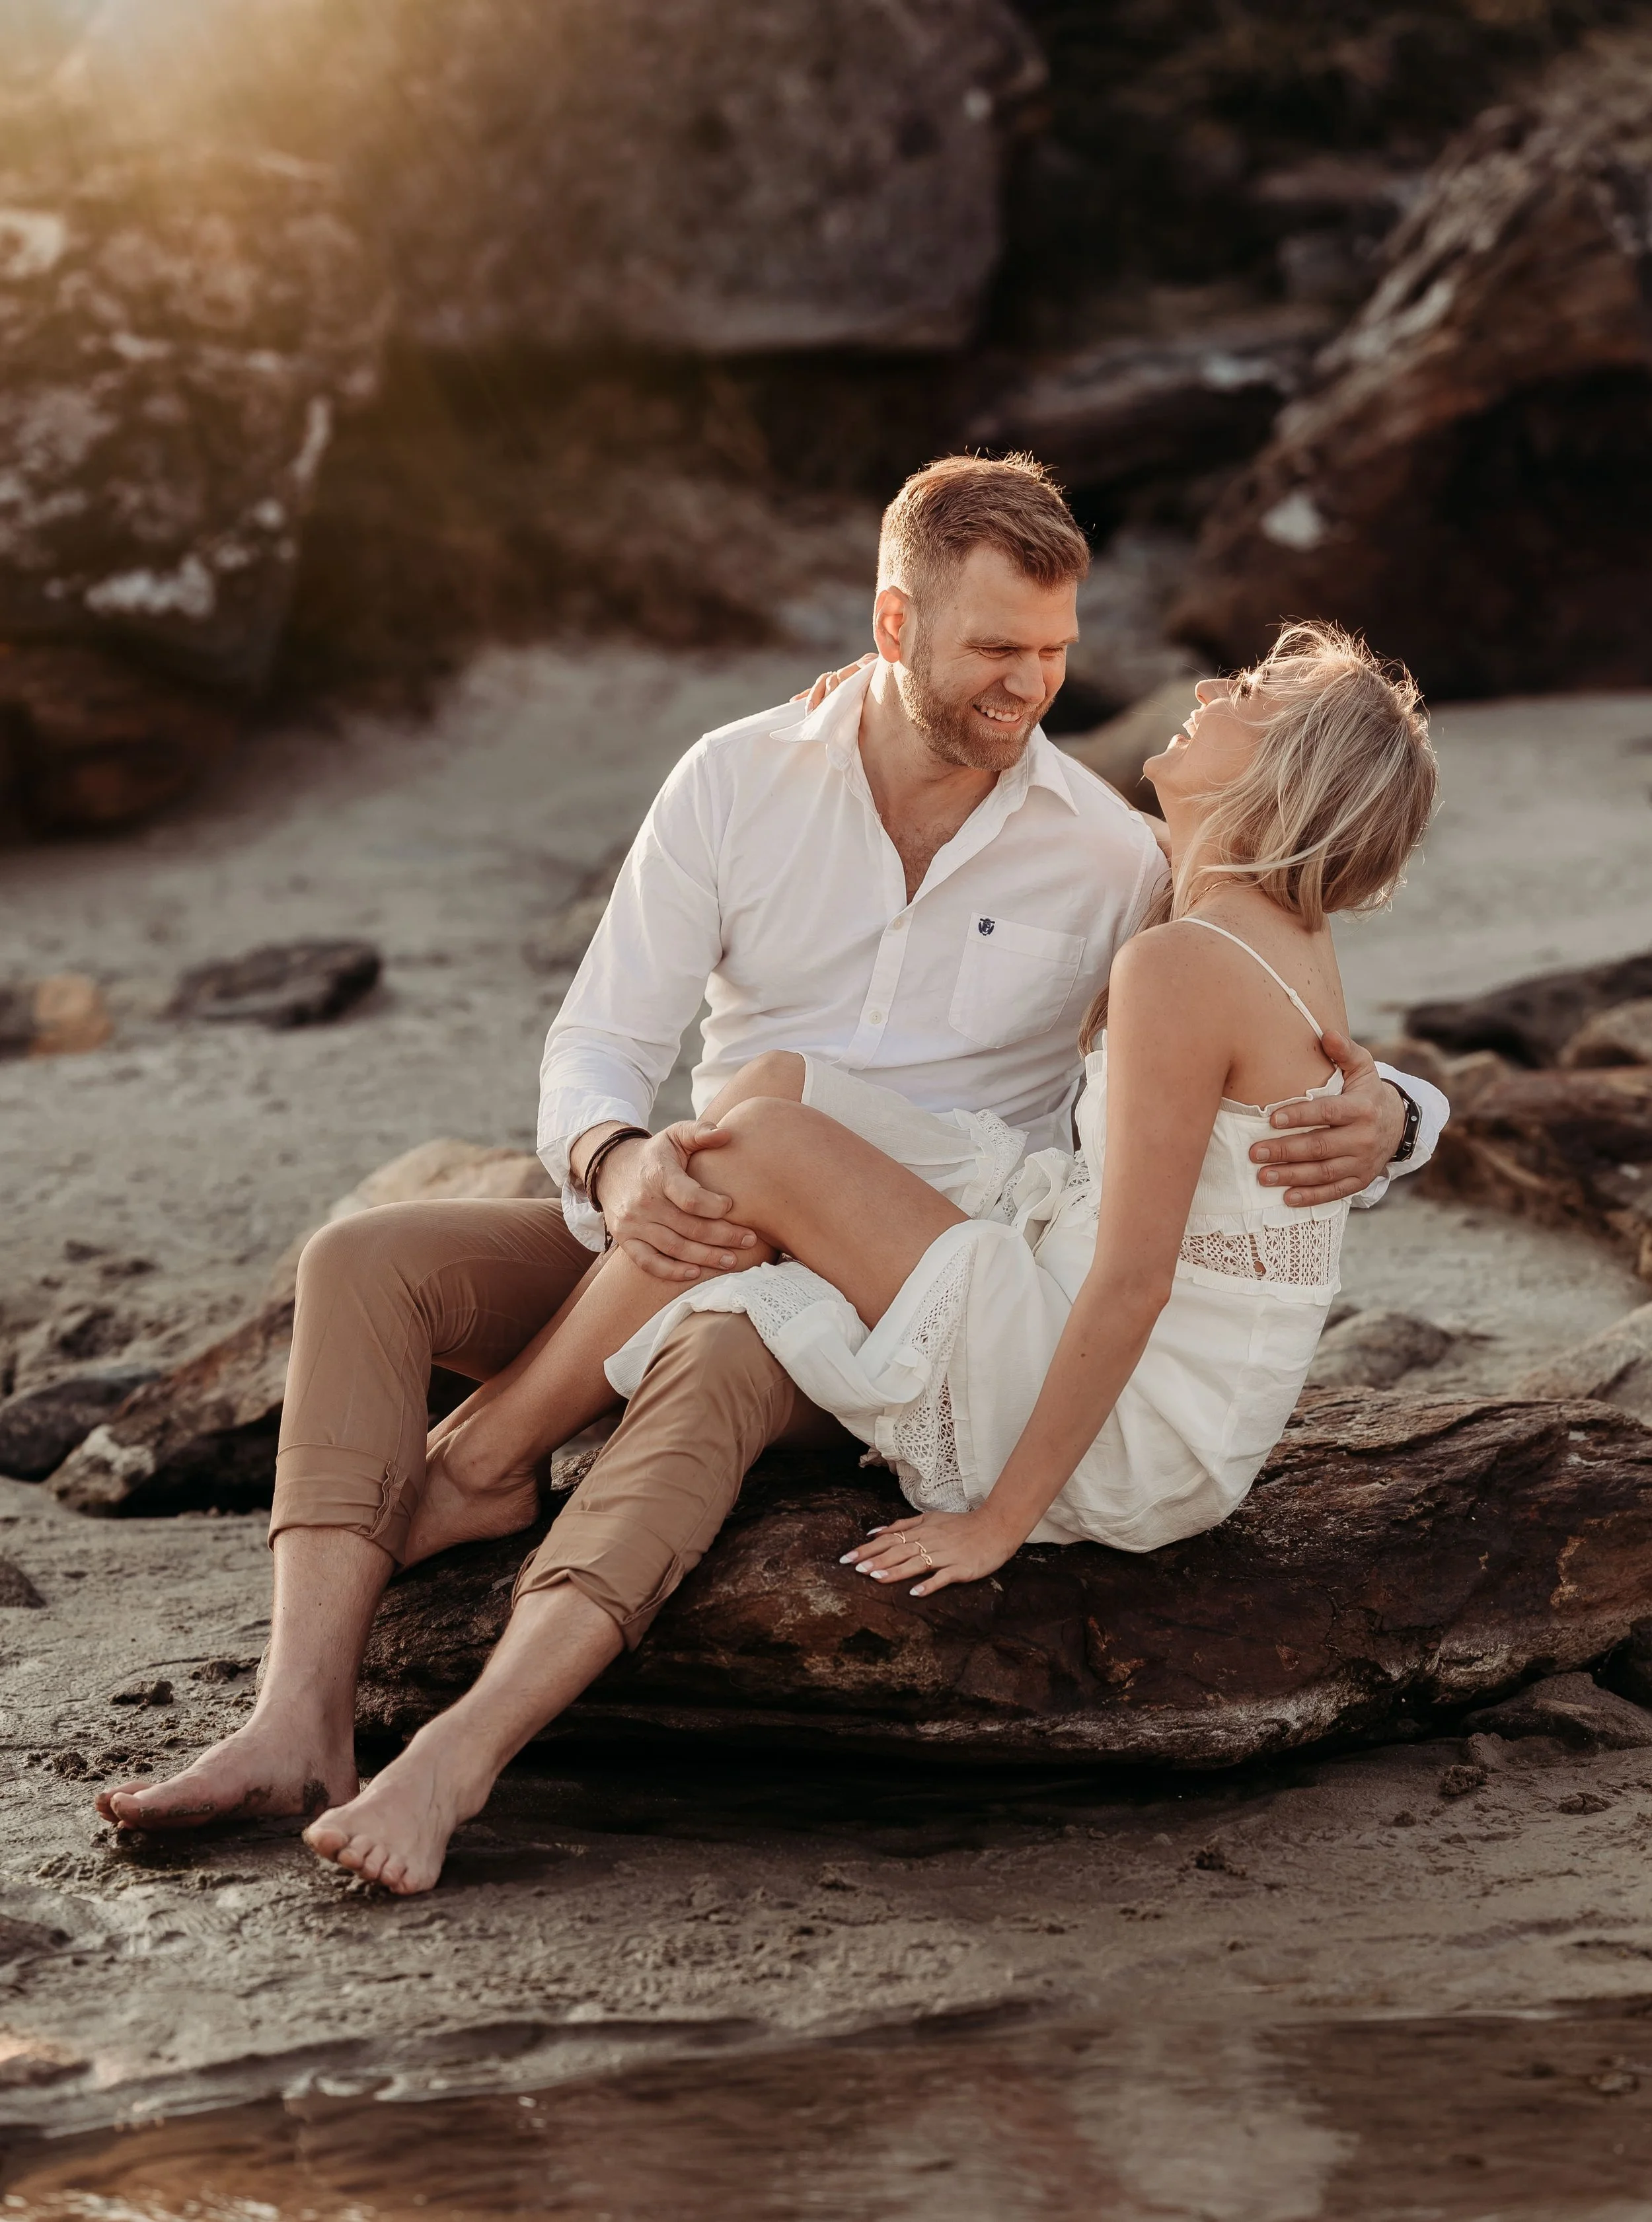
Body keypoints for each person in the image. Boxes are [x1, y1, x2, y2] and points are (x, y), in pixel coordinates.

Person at [94, 455, 1445, 1869]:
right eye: (992, 649)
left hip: (914, 1265)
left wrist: (1403, 1114)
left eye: (1052, 653)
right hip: (695, 1196)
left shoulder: (1118, 859)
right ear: (889, 627)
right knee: (368, 1261)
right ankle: (293, 1721)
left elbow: (1273, 982)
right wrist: (620, 1169)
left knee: (728, 1343)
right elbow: (599, 1041)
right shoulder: (736, 780)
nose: (1030, 687)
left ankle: (460, 1724)